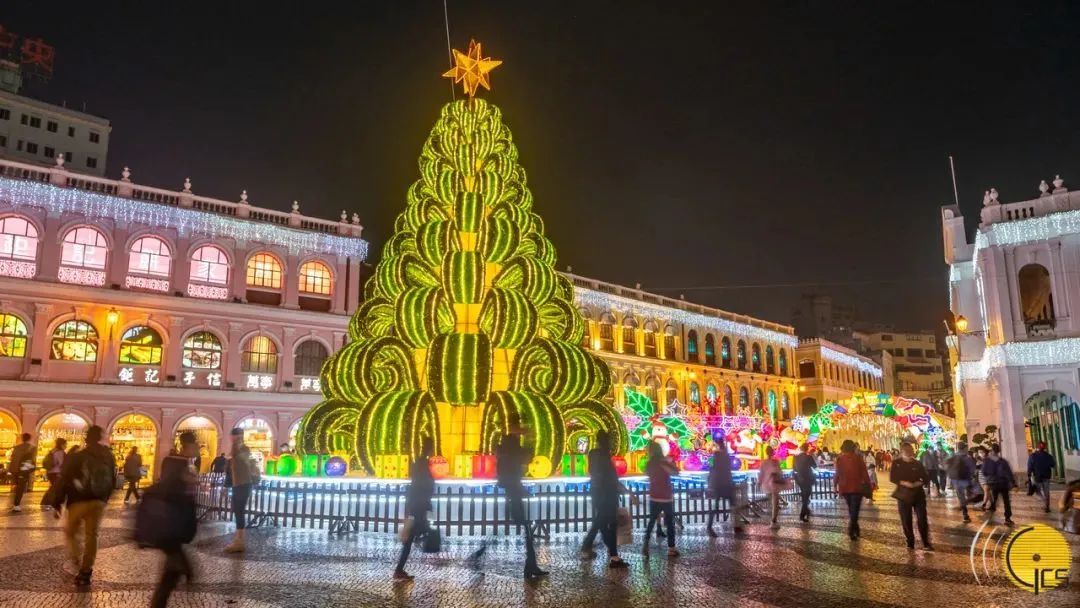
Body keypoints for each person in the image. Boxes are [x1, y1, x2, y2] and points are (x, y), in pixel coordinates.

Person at [471, 429, 547, 578]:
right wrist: (530, 441)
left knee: (518, 532)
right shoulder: (513, 447)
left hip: (512, 495)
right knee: (521, 532)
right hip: (514, 496)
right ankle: (529, 566)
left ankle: (530, 565)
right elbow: (526, 458)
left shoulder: (505, 447)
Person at [53, 425, 116, 585]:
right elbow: (113, 480)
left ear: (86, 438)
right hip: (98, 501)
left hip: (78, 501)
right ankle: (86, 570)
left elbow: (65, 480)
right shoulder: (108, 456)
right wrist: (104, 499)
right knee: (92, 535)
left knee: (70, 532)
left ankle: (77, 557)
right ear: (100, 437)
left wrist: (58, 503)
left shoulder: (78, 456)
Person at [146, 431, 199, 608]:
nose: (198, 448)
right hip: (172, 524)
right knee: (173, 569)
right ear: (188, 446)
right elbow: (173, 493)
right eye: (196, 445)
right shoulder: (178, 465)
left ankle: (160, 602)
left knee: (173, 567)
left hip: (174, 525)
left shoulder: (180, 464)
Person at [580, 431, 630, 568]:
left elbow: (592, 471)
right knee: (608, 524)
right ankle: (612, 556)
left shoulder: (593, 454)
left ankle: (595, 548)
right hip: (607, 494)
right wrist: (622, 489)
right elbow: (610, 477)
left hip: (596, 491)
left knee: (601, 523)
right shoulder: (604, 456)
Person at [394, 439, 435, 581]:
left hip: (416, 505)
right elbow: (425, 485)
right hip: (419, 505)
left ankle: (399, 569)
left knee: (411, 538)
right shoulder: (423, 464)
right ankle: (399, 570)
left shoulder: (419, 463)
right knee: (412, 537)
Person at [890, 443, 933, 551]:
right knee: (906, 519)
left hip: (918, 495)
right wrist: (905, 483)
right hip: (903, 495)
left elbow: (925, 478)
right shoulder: (896, 463)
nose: (909, 453)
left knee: (922, 518)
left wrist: (918, 483)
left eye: (911, 451)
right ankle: (910, 541)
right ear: (902, 452)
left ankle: (926, 542)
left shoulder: (917, 463)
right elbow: (893, 478)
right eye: (906, 451)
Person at [642, 441, 679, 556]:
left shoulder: (649, 463)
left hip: (654, 496)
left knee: (651, 521)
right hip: (665, 496)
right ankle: (671, 548)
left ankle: (646, 544)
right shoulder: (664, 461)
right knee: (669, 523)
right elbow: (675, 472)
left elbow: (647, 473)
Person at [226, 427, 258, 553]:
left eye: (238, 436)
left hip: (243, 484)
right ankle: (239, 539)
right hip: (238, 484)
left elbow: (244, 460)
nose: (235, 439)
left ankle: (240, 542)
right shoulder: (238, 449)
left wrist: (236, 444)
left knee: (239, 511)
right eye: (235, 436)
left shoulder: (243, 449)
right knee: (237, 510)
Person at [835, 439, 871, 540]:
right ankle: (852, 529)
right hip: (857, 487)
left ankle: (855, 527)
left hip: (845, 487)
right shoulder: (858, 458)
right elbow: (864, 472)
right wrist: (868, 484)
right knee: (854, 509)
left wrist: (835, 485)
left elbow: (837, 473)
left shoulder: (840, 459)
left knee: (852, 508)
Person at [706, 440, 743, 534]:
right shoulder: (723, 456)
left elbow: (714, 470)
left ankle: (709, 526)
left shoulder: (717, 456)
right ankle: (737, 526)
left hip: (720, 485)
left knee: (717, 507)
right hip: (726, 484)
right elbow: (726, 471)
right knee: (733, 505)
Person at [982, 443, 1016, 525]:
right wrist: (1013, 483)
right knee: (1006, 501)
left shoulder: (987, 461)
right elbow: (1009, 472)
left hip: (993, 483)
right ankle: (1007, 518)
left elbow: (984, 472)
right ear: (998, 451)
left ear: (992, 451)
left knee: (995, 498)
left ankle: (992, 510)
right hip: (1003, 483)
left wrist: (989, 478)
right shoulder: (1003, 461)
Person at [946, 442, 977, 523]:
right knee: (971, 495)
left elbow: (946, 466)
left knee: (961, 497)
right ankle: (965, 503)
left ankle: (965, 514)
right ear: (964, 448)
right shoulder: (967, 458)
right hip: (966, 480)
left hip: (955, 480)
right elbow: (973, 469)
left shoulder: (953, 457)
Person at [8, 433, 36, 512]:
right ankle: (16, 505)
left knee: (16, 486)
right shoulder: (32, 448)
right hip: (23, 470)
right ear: (29, 438)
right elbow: (32, 460)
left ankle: (14, 502)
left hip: (14, 469)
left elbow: (12, 457)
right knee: (20, 488)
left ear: (22, 438)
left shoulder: (16, 447)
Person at [758, 446, 784, 529]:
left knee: (772, 503)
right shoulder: (775, 461)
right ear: (772, 452)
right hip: (774, 484)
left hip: (766, 485)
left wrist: (759, 482)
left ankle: (773, 520)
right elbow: (779, 472)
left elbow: (761, 474)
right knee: (775, 504)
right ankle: (773, 521)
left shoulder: (763, 462)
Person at [1027, 442, 1056, 513]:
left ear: (1037, 447)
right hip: (1046, 476)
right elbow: (1053, 465)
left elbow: (1030, 466)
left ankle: (1044, 501)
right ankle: (1047, 506)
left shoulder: (1033, 456)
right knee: (1047, 492)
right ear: (1045, 448)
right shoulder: (1048, 456)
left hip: (1037, 476)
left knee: (1037, 491)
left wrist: (1029, 474)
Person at [41, 437, 67, 513]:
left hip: (50, 472)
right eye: (65, 444)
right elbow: (61, 463)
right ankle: (47, 503)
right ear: (62, 444)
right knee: (54, 489)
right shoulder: (60, 452)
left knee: (53, 488)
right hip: (56, 473)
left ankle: (46, 502)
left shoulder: (53, 450)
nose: (66, 446)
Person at [793, 444, 817, 522]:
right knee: (807, 495)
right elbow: (814, 466)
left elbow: (795, 469)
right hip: (807, 479)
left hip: (799, 479)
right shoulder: (808, 457)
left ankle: (806, 511)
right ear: (807, 449)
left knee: (804, 495)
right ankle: (802, 514)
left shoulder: (795, 458)